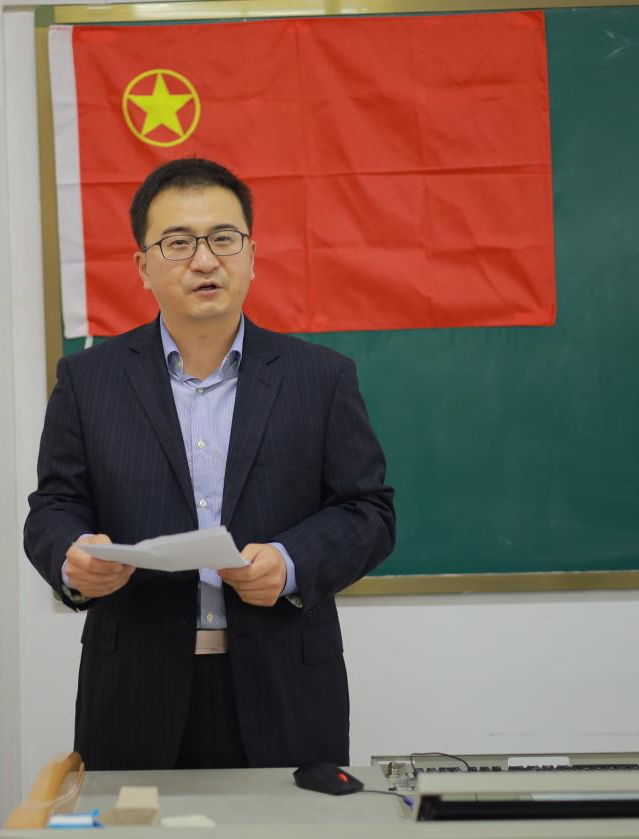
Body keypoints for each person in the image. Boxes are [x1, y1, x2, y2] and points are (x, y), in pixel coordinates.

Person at [24, 158, 396, 771]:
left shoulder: (321, 377)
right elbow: (53, 507)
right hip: (134, 688)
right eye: (178, 243)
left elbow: (368, 512)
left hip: (287, 686)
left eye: (224, 238)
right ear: (143, 267)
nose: (204, 260)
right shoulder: (88, 381)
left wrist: (291, 562)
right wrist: (72, 558)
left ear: (252, 256)